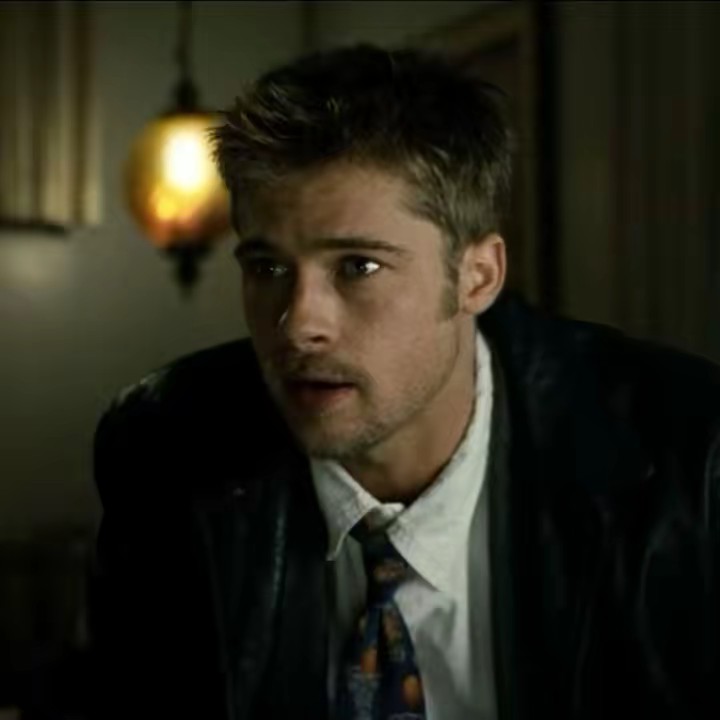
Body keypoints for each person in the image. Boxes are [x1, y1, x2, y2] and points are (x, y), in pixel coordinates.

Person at [87, 44, 720, 720]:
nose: (298, 325)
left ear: (477, 276)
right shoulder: (164, 449)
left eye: (357, 266)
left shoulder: (690, 457)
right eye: (267, 267)